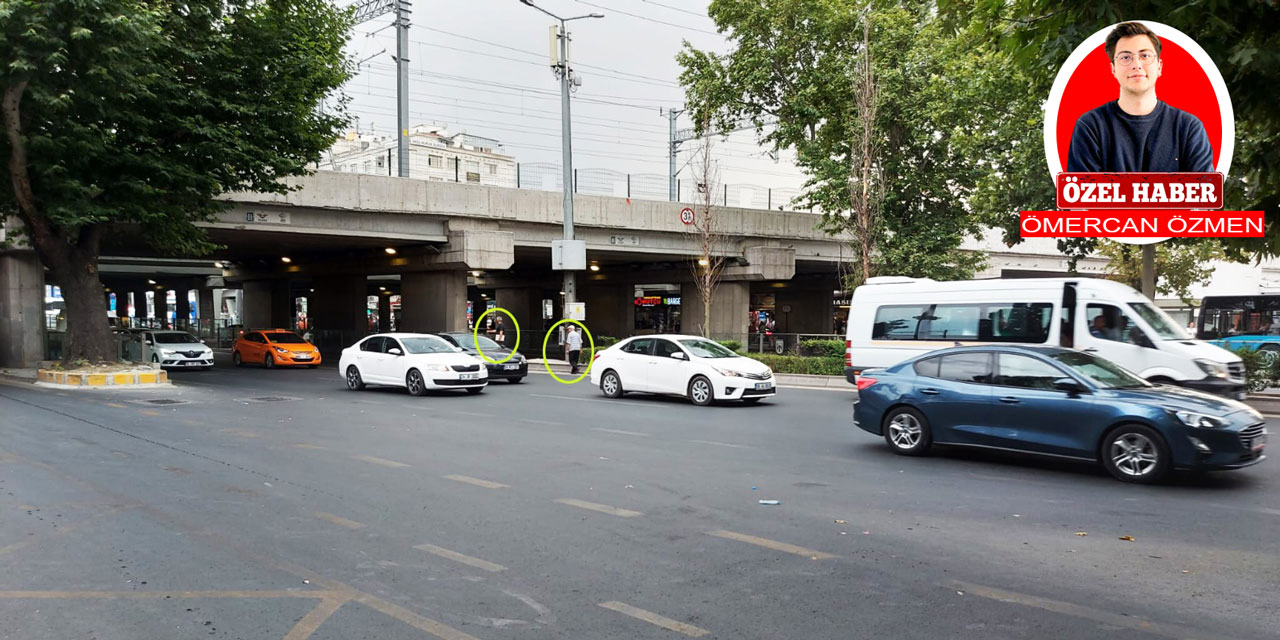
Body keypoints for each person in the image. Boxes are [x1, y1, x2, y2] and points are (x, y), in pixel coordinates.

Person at [1066, 22, 1214, 173]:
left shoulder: (1188, 128)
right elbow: (1083, 194)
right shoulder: (1090, 126)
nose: (1136, 64)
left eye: (1145, 56)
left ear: (1159, 67)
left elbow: (1203, 192)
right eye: (1125, 57)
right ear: (1113, 69)